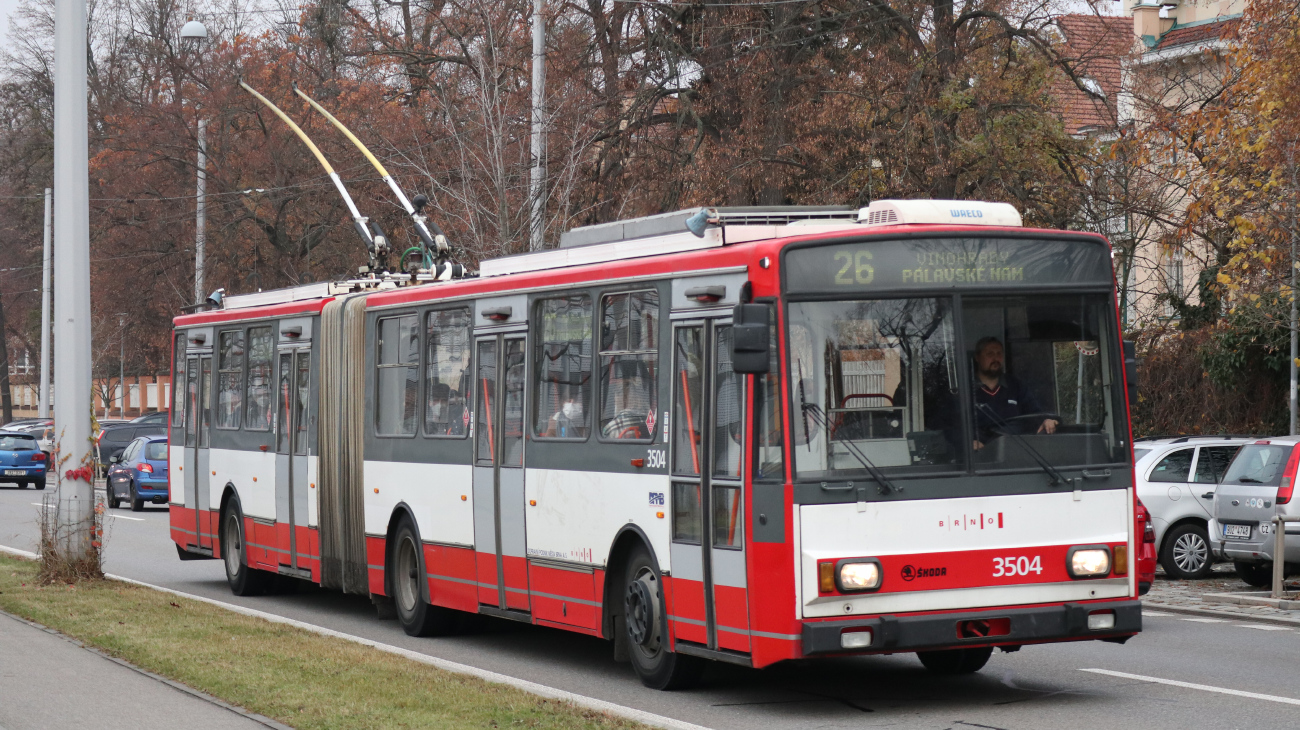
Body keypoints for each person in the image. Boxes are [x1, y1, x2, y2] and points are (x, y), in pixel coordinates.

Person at [971, 337, 1057, 450]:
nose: (995, 358)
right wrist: (968, 442)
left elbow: (1035, 413)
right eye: (990, 354)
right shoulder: (966, 390)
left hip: (1016, 452)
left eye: (999, 354)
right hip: (981, 457)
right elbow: (952, 428)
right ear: (977, 357)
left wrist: (1046, 420)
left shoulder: (1016, 385)